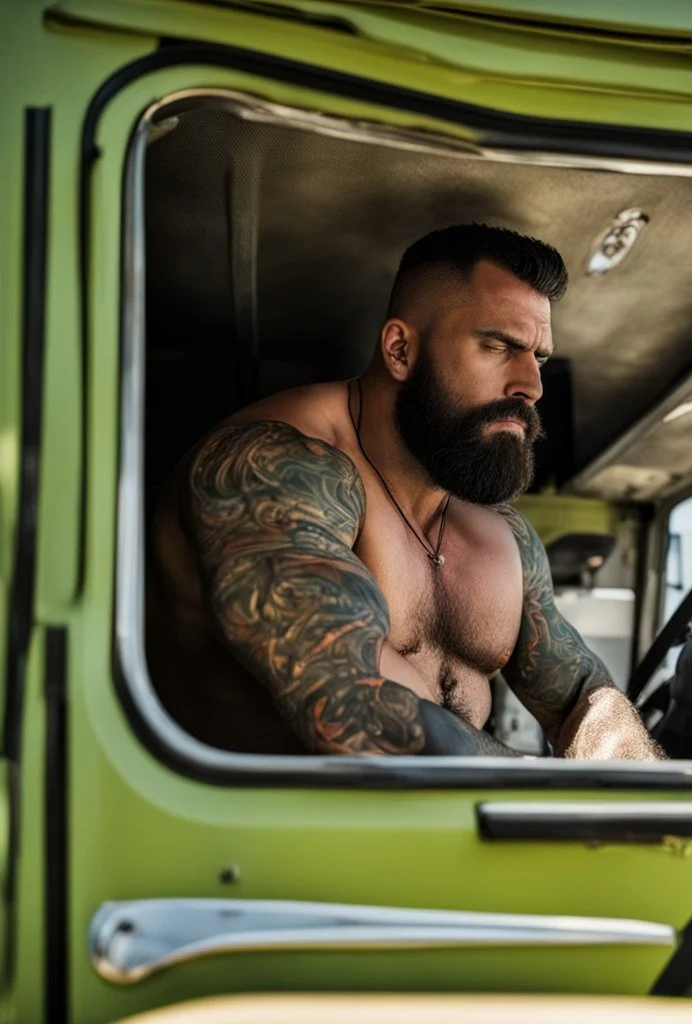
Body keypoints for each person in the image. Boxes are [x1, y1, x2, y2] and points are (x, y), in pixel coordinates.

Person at [148, 224, 664, 760]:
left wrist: (654, 792)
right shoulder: (272, 467)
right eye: (498, 346)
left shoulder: (501, 533)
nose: (531, 387)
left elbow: (581, 697)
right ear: (400, 350)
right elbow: (357, 712)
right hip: (246, 836)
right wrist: (558, 791)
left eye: (539, 358)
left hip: (441, 834)